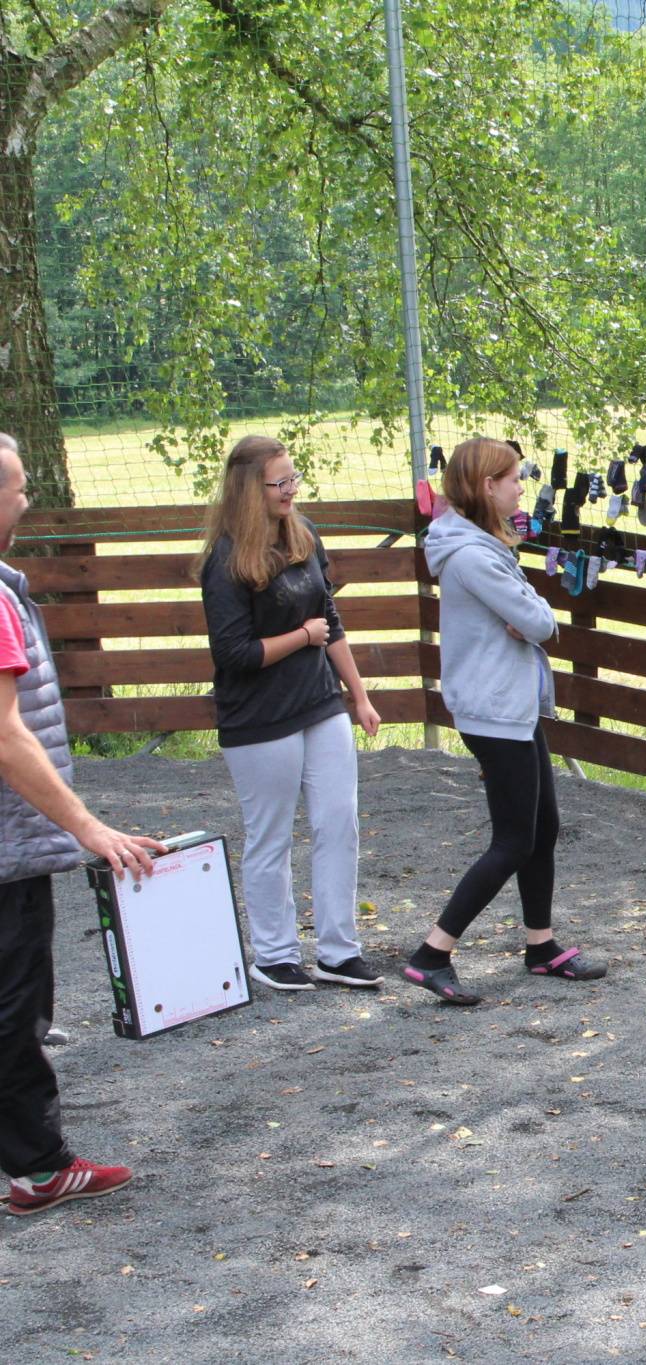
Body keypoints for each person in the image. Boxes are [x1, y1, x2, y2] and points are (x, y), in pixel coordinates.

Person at [0, 431, 165, 1215]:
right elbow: (5, 733)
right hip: (8, 846)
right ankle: (38, 1168)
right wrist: (86, 827)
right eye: (19, 487)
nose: (27, 499)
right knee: (14, 1009)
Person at [407, 438, 604, 1005]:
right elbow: (539, 623)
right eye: (513, 478)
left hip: (512, 706)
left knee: (543, 827)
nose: (521, 487)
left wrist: (534, 617)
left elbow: (534, 617)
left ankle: (541, 946)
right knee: (514, 841)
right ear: (487, 486)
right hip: (493, 711)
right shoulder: (473, 557)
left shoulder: (483, 545)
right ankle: (432, 954)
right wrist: (535, 618)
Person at [198, 435, 382, 992]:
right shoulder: (225, 559)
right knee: (271, 835)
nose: (291, 490)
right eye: (279, 482)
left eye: (293, 478)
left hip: (320, 702)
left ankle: (338, 951)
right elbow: (234, 653)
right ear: (248, 489)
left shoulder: (303, 533)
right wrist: (301, 636)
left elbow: (331, 620)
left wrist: (359, 695)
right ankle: (274, 953)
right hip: (259, 717)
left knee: (339, 823)